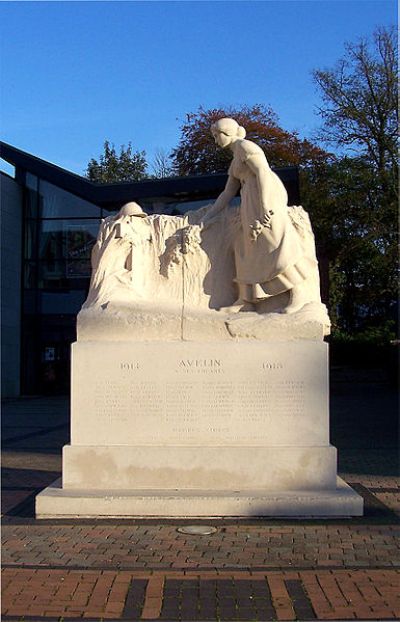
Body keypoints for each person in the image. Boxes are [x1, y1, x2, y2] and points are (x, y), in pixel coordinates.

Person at [203, 118, 317, 313]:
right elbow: (228, 192)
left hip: (265, 197)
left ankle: (298, 295)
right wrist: (208, 217)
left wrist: (265, 205)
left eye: (217, 135)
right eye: (214, 136)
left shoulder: (246, 147)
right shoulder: (235, 158)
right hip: (250, 200)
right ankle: (246, 301)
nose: (216, 141)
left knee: (277, 246)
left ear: (228, 133)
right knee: (247, 250)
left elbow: (263, 172)